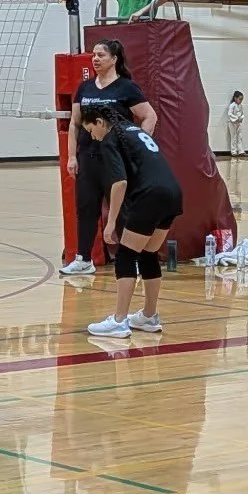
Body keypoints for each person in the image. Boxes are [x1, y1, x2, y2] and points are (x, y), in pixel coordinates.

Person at [80, 102, 183, 339]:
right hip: (173, 194)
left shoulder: (110, 139)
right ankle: (149, 316)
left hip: (151, 196)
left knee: (126, 255)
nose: (93, 137)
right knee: (148, 254)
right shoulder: (133, 130)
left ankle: (119, 321)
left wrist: (110, 223)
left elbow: (120, 183)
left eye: (91, 131)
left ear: (100, 122)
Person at [62, 39, 157, 276]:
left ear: (114, 59)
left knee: (123, 209)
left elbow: (150, 116)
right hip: (88, 158)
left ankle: (131, 258)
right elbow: (74, 124)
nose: (95, 59)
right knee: (86, 208)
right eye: (93, 55)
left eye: (101, 55)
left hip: (116, 159)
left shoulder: (126, 87)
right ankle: (84, 259)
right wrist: (72, 157)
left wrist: (136, 146)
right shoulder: (85, 88)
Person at [224, 90, 245, 157]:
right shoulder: (232, 105)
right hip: (232, 123)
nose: (241, 100)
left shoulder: (241, 105)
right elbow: (229, 114)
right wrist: (236, 118)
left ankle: (241, 151)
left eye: (242, 99)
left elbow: (242, 114)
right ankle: (233, 152)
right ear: (235, 98)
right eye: (240, 99)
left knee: (240, 136)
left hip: (238, 123)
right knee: (234, 137)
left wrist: (241, 118)